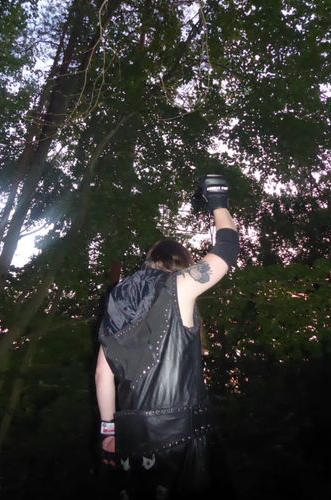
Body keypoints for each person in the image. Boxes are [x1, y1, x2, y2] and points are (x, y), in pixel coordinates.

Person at [95, 175, 239, 499]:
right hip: (183, 441)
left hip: (132, 443)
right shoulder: (179, 286)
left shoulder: (116, 300)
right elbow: (227, 250)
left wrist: (108, 431)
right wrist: (219, 201)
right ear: (181, 265)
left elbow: (103, 374)